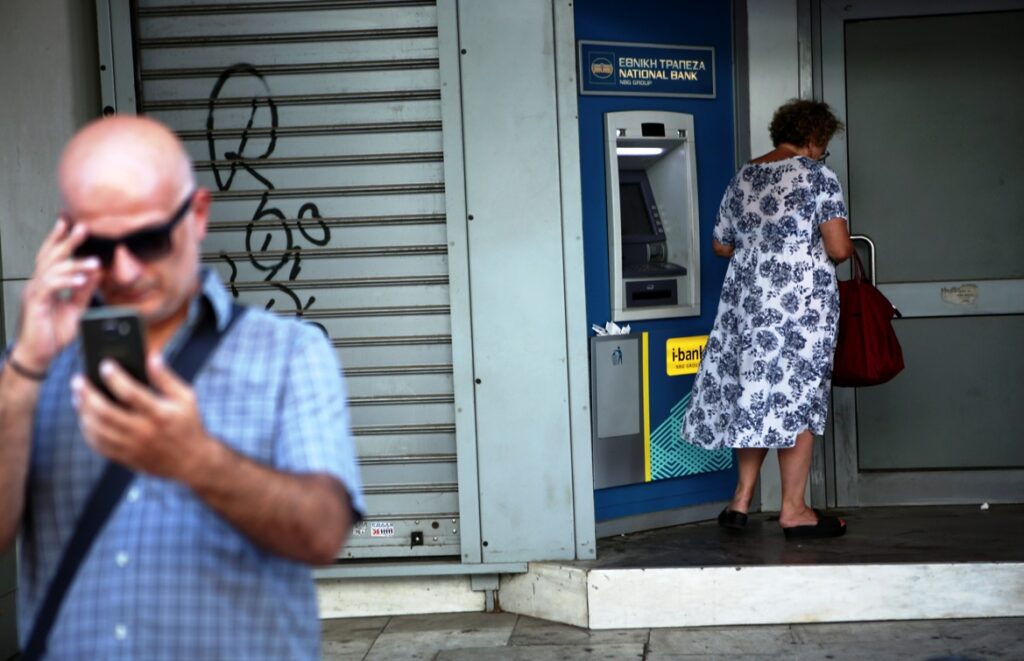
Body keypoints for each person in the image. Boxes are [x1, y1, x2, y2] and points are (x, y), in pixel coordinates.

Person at [0, 115, 365, 658]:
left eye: (147, 240)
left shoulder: (288, 353)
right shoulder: (30, 364)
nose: (123, 270)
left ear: (196, 215)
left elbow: (323, 533)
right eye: (97, 247)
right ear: (65, 235)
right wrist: (24, 371)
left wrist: (197, 460)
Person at [680, 99, 854, 540]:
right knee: (798, 398)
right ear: (813, 139)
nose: (821, 153)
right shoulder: (818, 177)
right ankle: (794, 509)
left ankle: (740, 500)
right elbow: (836, 248)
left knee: (754, 391)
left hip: (749, 305)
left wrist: (760, 247)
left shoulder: (746, 175)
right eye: (823, 146)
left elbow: (722, 244)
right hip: (800, 309)